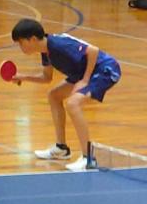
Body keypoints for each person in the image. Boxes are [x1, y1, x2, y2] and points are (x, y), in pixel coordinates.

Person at [10, 18, 121, 171]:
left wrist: (84, 80)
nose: (20, 47)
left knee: (73, 104)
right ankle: (61, 148)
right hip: (82, 72)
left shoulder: (59, 45)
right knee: (54, 96)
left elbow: (93, 50)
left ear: (33, 39)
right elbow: (46, 78)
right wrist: (23, 77)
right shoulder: (45, 52)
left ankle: (88, 159)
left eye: (21, 43)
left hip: (105, 69)